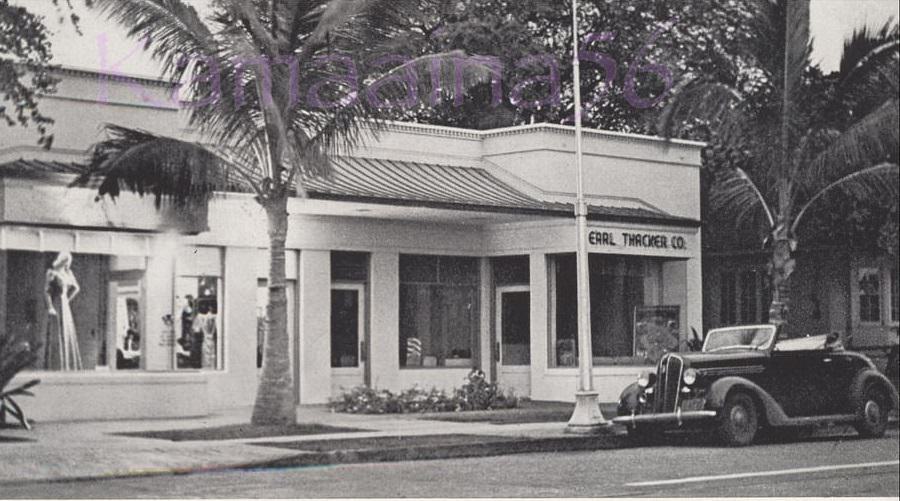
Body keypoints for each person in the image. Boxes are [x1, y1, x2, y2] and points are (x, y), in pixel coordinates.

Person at [45, 251, 82, 371]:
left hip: (64, 304)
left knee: (67, 331)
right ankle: (57, 365)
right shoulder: (52, 273)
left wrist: (67, 300)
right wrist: (50, 306)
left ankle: (68, 366)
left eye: (68, 261)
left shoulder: (68, 273)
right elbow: (46, 291)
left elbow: (76, 288)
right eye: (65, 261)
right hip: (57, 303)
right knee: (58, 332)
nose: (67, 263)